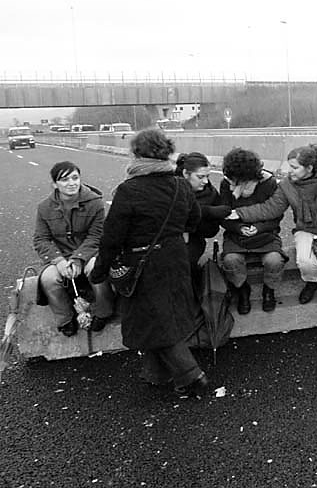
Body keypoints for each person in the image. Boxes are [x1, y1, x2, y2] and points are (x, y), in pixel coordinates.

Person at [89, 129, 208, 396]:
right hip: (175, 258)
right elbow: (194, 219)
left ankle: (191, 376)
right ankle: (156, 374)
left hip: (143, 264)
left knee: (152, 320)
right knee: (162, 318)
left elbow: (112, 237)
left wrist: (100, 270)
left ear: (136, 155)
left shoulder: (129, 190)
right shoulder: (180, 185)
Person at [231, 144, 317, 305]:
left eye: (294, 167)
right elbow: (271, 208)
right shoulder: (287, 185)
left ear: (309, 168)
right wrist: (240, 213)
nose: (289, 171)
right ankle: (312, 282)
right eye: (289, 166)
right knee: (305, 262)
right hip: (306, 228)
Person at [33, 161, 114, 336]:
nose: (71, 183)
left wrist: (78, 259)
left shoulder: (95, 203)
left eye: (75, 178)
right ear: (55, 184)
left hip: (90, 253)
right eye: (64, 180)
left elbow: (96, 236)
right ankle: (65, 319)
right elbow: (41, 239)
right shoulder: (44, 208)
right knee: (48, 279)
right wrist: (59, 261)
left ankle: (103, 312)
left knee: (97, 270)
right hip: (60, 257)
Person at [218, 148, 286, 315]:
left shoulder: (269, 183)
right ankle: (242, 290)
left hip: (266, 234)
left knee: (274, 260)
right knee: (231, 260)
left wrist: (259, 228)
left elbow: (276, 214)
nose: (233, 183)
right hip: (236, 235)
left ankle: (269, 290)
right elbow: (223, 215)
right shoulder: (226, 184)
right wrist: (239, 228)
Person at [176, 152, 230, 295]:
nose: (205, 181)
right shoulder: (171, 190)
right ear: (185, 174)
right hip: (168, 241)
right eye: (200, 177)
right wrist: (207, 212)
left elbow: (212, 230)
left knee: (188, 262)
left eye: (207, 176)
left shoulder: (210, 193)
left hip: (195, 240)